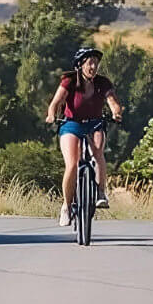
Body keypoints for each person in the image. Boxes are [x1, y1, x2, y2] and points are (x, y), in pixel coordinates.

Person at [48, 47, 123, 227]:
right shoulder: (70, 81)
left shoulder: (102, 83)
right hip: (71, 124)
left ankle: (100, 193)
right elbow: (55, 103)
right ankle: (66, 206)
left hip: (95, 123)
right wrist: (51, 115)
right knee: (72, 163)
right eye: (90, 62)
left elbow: (113, 102)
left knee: (98, 153)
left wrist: (116, 112)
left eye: (96, 63)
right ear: (80, 65)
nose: (93, 66)